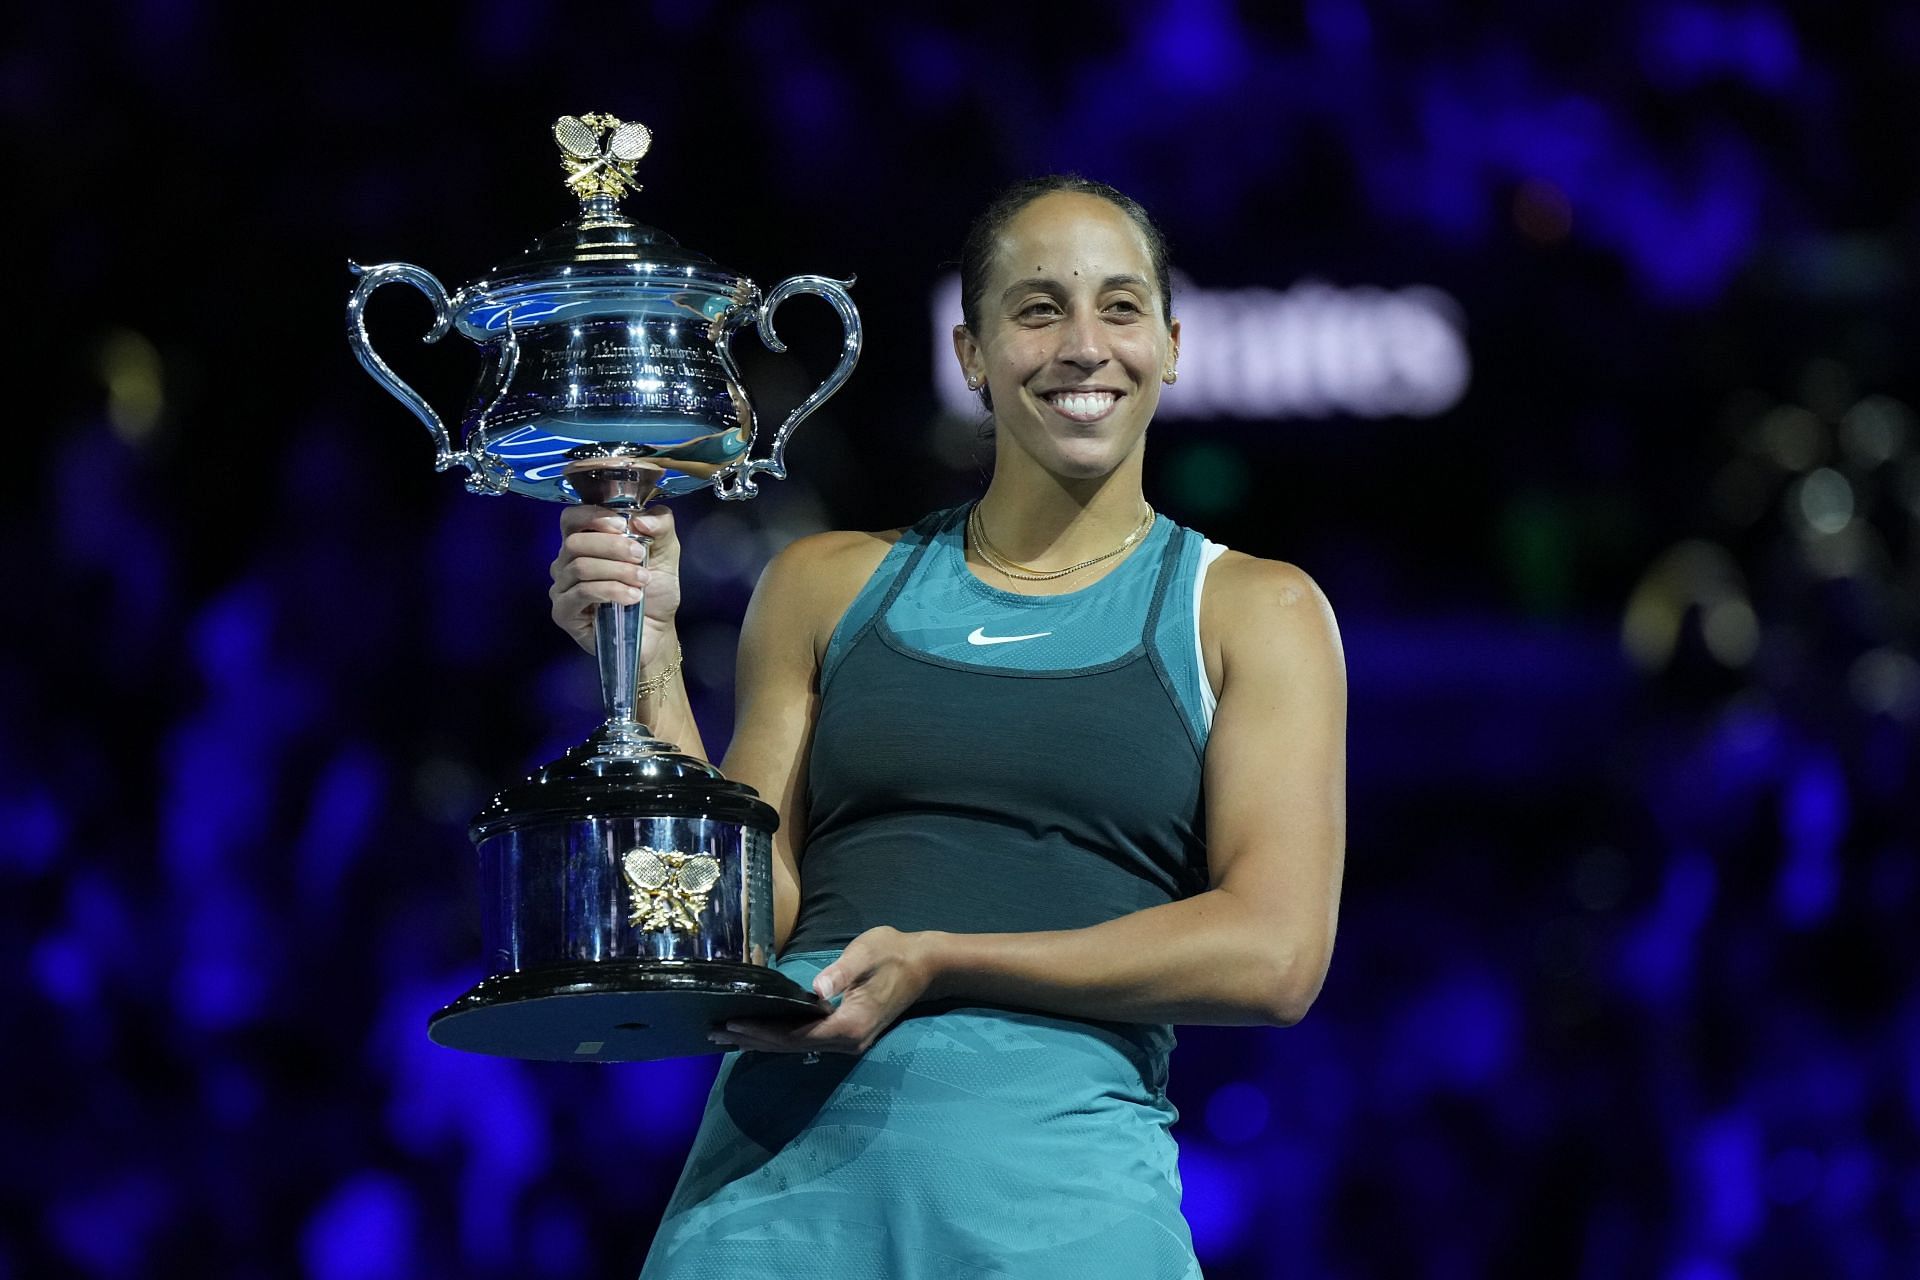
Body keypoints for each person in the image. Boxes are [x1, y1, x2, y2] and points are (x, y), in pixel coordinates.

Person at [547, 175, 1347, 1278]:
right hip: (768, 1221)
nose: (1082, 345)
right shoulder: (824, 584)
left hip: (1062, 1225)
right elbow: (734, 918)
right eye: (1036, 309)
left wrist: (940, 959)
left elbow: (1275, 954)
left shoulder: (1256, 609)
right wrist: (650, 658)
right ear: (970, 352)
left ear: (1171, 345)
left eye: (1119, 308)